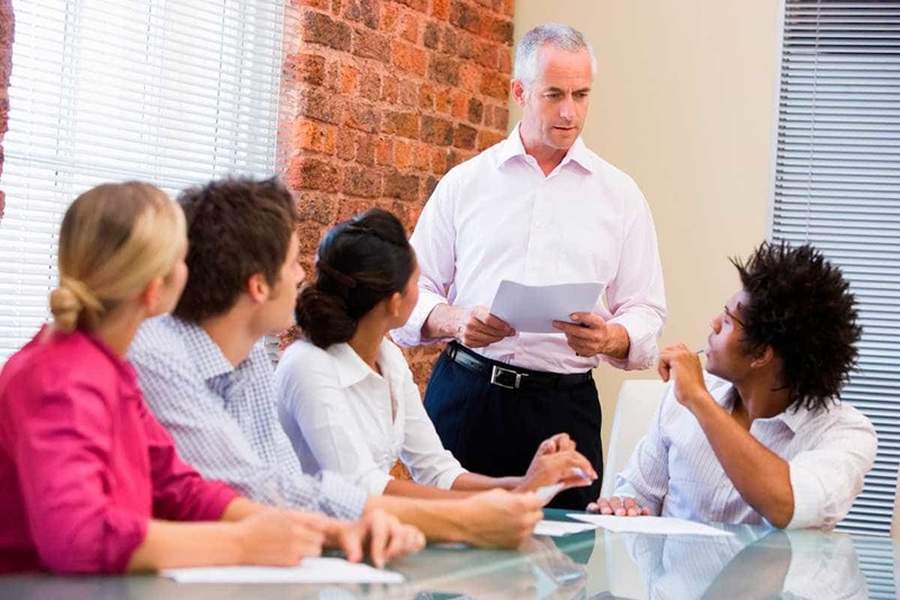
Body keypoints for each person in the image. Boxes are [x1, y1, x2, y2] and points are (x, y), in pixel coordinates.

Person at [0, 182, 421, 574]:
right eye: (183, 258)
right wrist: (240, 544)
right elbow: (78, 536)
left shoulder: (106, 367)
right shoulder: (59, 377)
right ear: (154, 289)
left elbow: (184, 488)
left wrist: (327, 530)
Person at [129, 177, 543, 548]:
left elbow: (289, 487)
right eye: (292, 262)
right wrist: (461, 520)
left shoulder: (250, 359)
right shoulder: (161, 361)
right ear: (258, 285)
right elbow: (254, 494)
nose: (300, 276)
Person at [391, 23, 667, 509]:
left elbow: (646, 310)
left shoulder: (620, 196)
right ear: (520, 91)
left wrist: (610, 337)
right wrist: (458, 322)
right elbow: (410, 294)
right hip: (467, 397)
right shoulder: (465, 183)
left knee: (561, 571)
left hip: (565, 410)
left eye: (582, 95)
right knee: (443, 571)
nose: (570, 112)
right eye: (554, 94)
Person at [276, 208, 597, 500]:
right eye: (418, 282)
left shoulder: (389, 358)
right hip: (303, 547)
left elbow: (437, 471)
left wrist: (525, 483)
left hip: (364, 538)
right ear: (395, 301)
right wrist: (503, 503)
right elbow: (363, 489)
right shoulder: (308, 365)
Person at [590, 242, 877, 529]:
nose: (713, 324)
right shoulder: (683, 399)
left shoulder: (844, 433)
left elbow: (788, 505)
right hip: (671, 574)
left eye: (727, 321)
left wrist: (699, 400)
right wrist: (624, 507)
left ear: (761, 354)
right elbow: (637, 494)